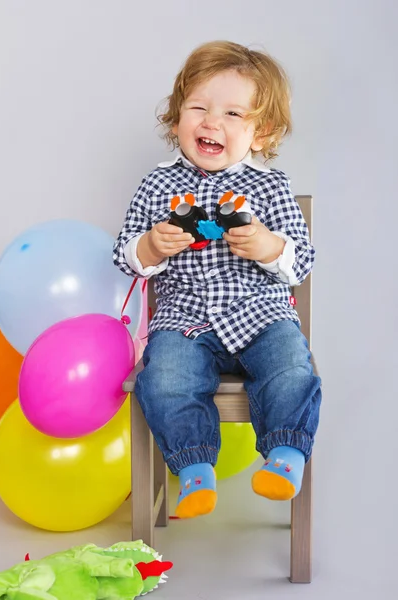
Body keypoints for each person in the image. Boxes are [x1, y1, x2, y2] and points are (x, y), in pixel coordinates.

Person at [113, 40, 322, 519]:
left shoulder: (271, 186)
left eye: (232, 113)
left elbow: (302, 259)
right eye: (199, 108)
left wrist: (268, 246)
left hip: (260, 314)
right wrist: (151, 246)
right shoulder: (157, 185)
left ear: (261, 134)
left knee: (292, 365)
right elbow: (126, 256)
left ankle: (286, 456)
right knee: (163, 379)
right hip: (184, 320)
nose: (212, 122)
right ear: (175, 121)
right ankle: (194, 472)